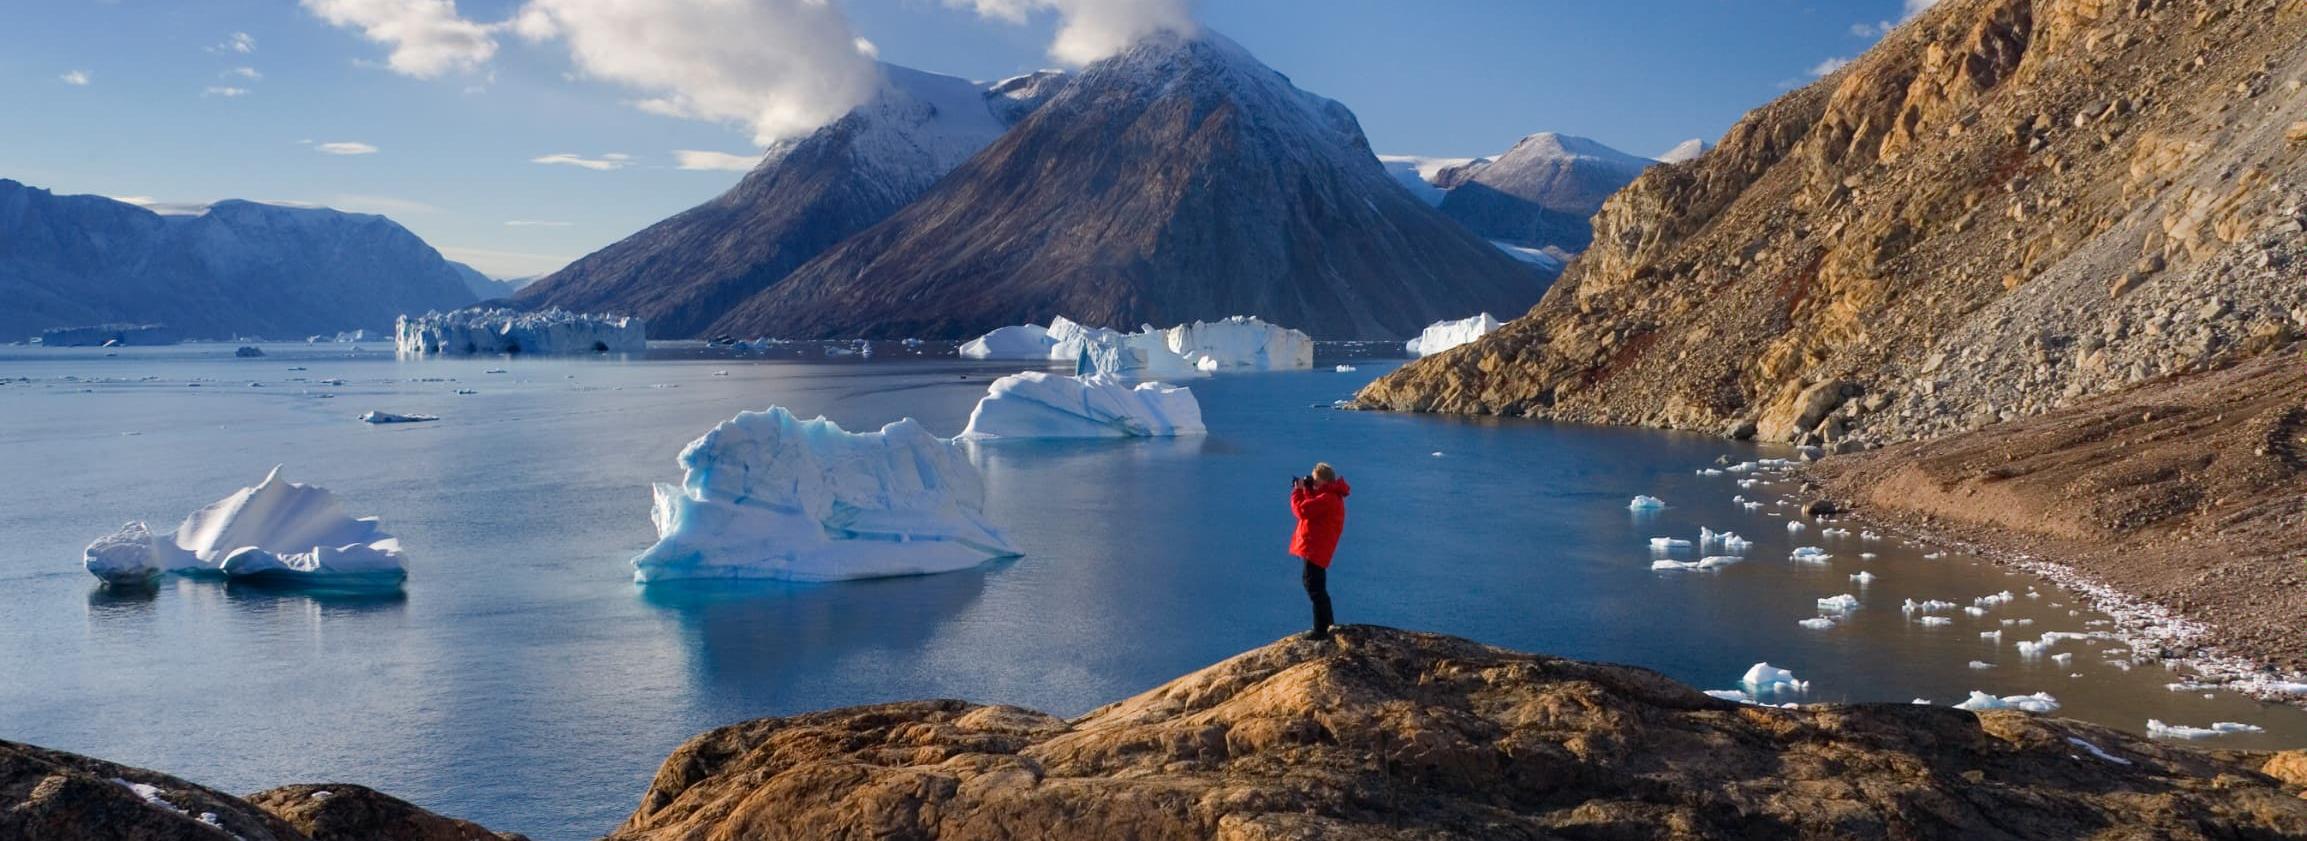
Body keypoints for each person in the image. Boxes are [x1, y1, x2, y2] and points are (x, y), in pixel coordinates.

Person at [1288, 462, 1351, 641]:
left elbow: (1302, 510)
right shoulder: (1330, 495)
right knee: (1316, 586)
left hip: (1316, 547)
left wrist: (1298, 491)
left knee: (1314, 587)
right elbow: (1313, 503)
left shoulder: (1328, 499)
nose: (1312, 482)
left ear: (1323, 481)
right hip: (1318, 547)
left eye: (1315, 480)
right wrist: (1308, 488)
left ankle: (1321, 630)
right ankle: (1327, 625)